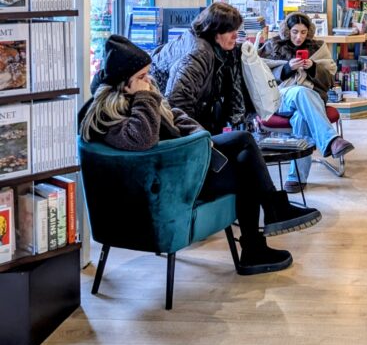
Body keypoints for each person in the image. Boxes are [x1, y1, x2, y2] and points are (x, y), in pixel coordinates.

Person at [80, 36, 321, 277]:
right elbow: (142, 140)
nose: (148, 81)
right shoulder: (110, 115)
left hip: (180, 166)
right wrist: (146, 99)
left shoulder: (139, 96)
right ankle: (262, 232)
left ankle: (268, 222)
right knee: (244, 167)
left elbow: (175, 117)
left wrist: (196, 139)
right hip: (166, 186)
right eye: (142, 77)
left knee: (244, 143)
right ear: (123, 84)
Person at [259, 12, 354, 192]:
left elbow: (329, 82)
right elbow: (259, 76)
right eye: (295, 32)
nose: (299, 37)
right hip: (279, 98)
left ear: (309, 31)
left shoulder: (318, 48)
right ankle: (331, 140)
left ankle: (296, 178)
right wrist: (287, 68)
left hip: (311, 100)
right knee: (301, 91)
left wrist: (313, 68)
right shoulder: (273, 46)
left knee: (301, 118)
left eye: (303, 32)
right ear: (287, 31)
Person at [151, 1, 249, 135]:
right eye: (229, 31)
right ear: (214, 31)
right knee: (243, 139)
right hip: (172, 127)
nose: (235, 35)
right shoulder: (199, 54)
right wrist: (198, 138)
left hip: (184, 119)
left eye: (236, 30)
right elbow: (177, 102)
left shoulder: (213, 48)